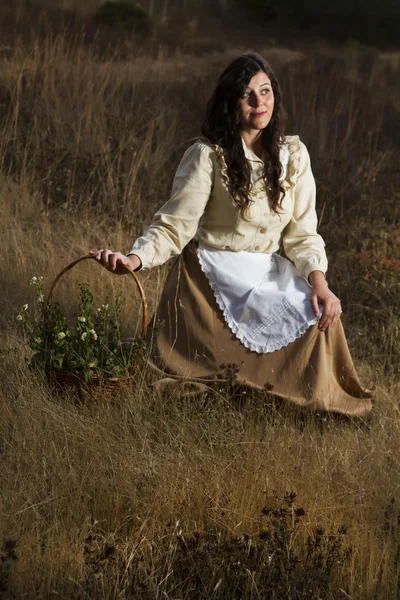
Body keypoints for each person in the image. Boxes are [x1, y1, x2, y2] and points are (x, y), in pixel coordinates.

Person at [91, 53, 372, 418]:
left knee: (317, 312)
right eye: (247, 94)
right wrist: (135, 259)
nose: (259, 103)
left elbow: (303, 235)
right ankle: (251, 393)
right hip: (210, 276)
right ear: (230, 102)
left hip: (266, 271)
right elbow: (175, 224)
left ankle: (307, 405)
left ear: (276, 95)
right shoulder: (207, 156)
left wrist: (319, 282)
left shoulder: (294, 155)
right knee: (207, 384)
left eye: (265, 91)